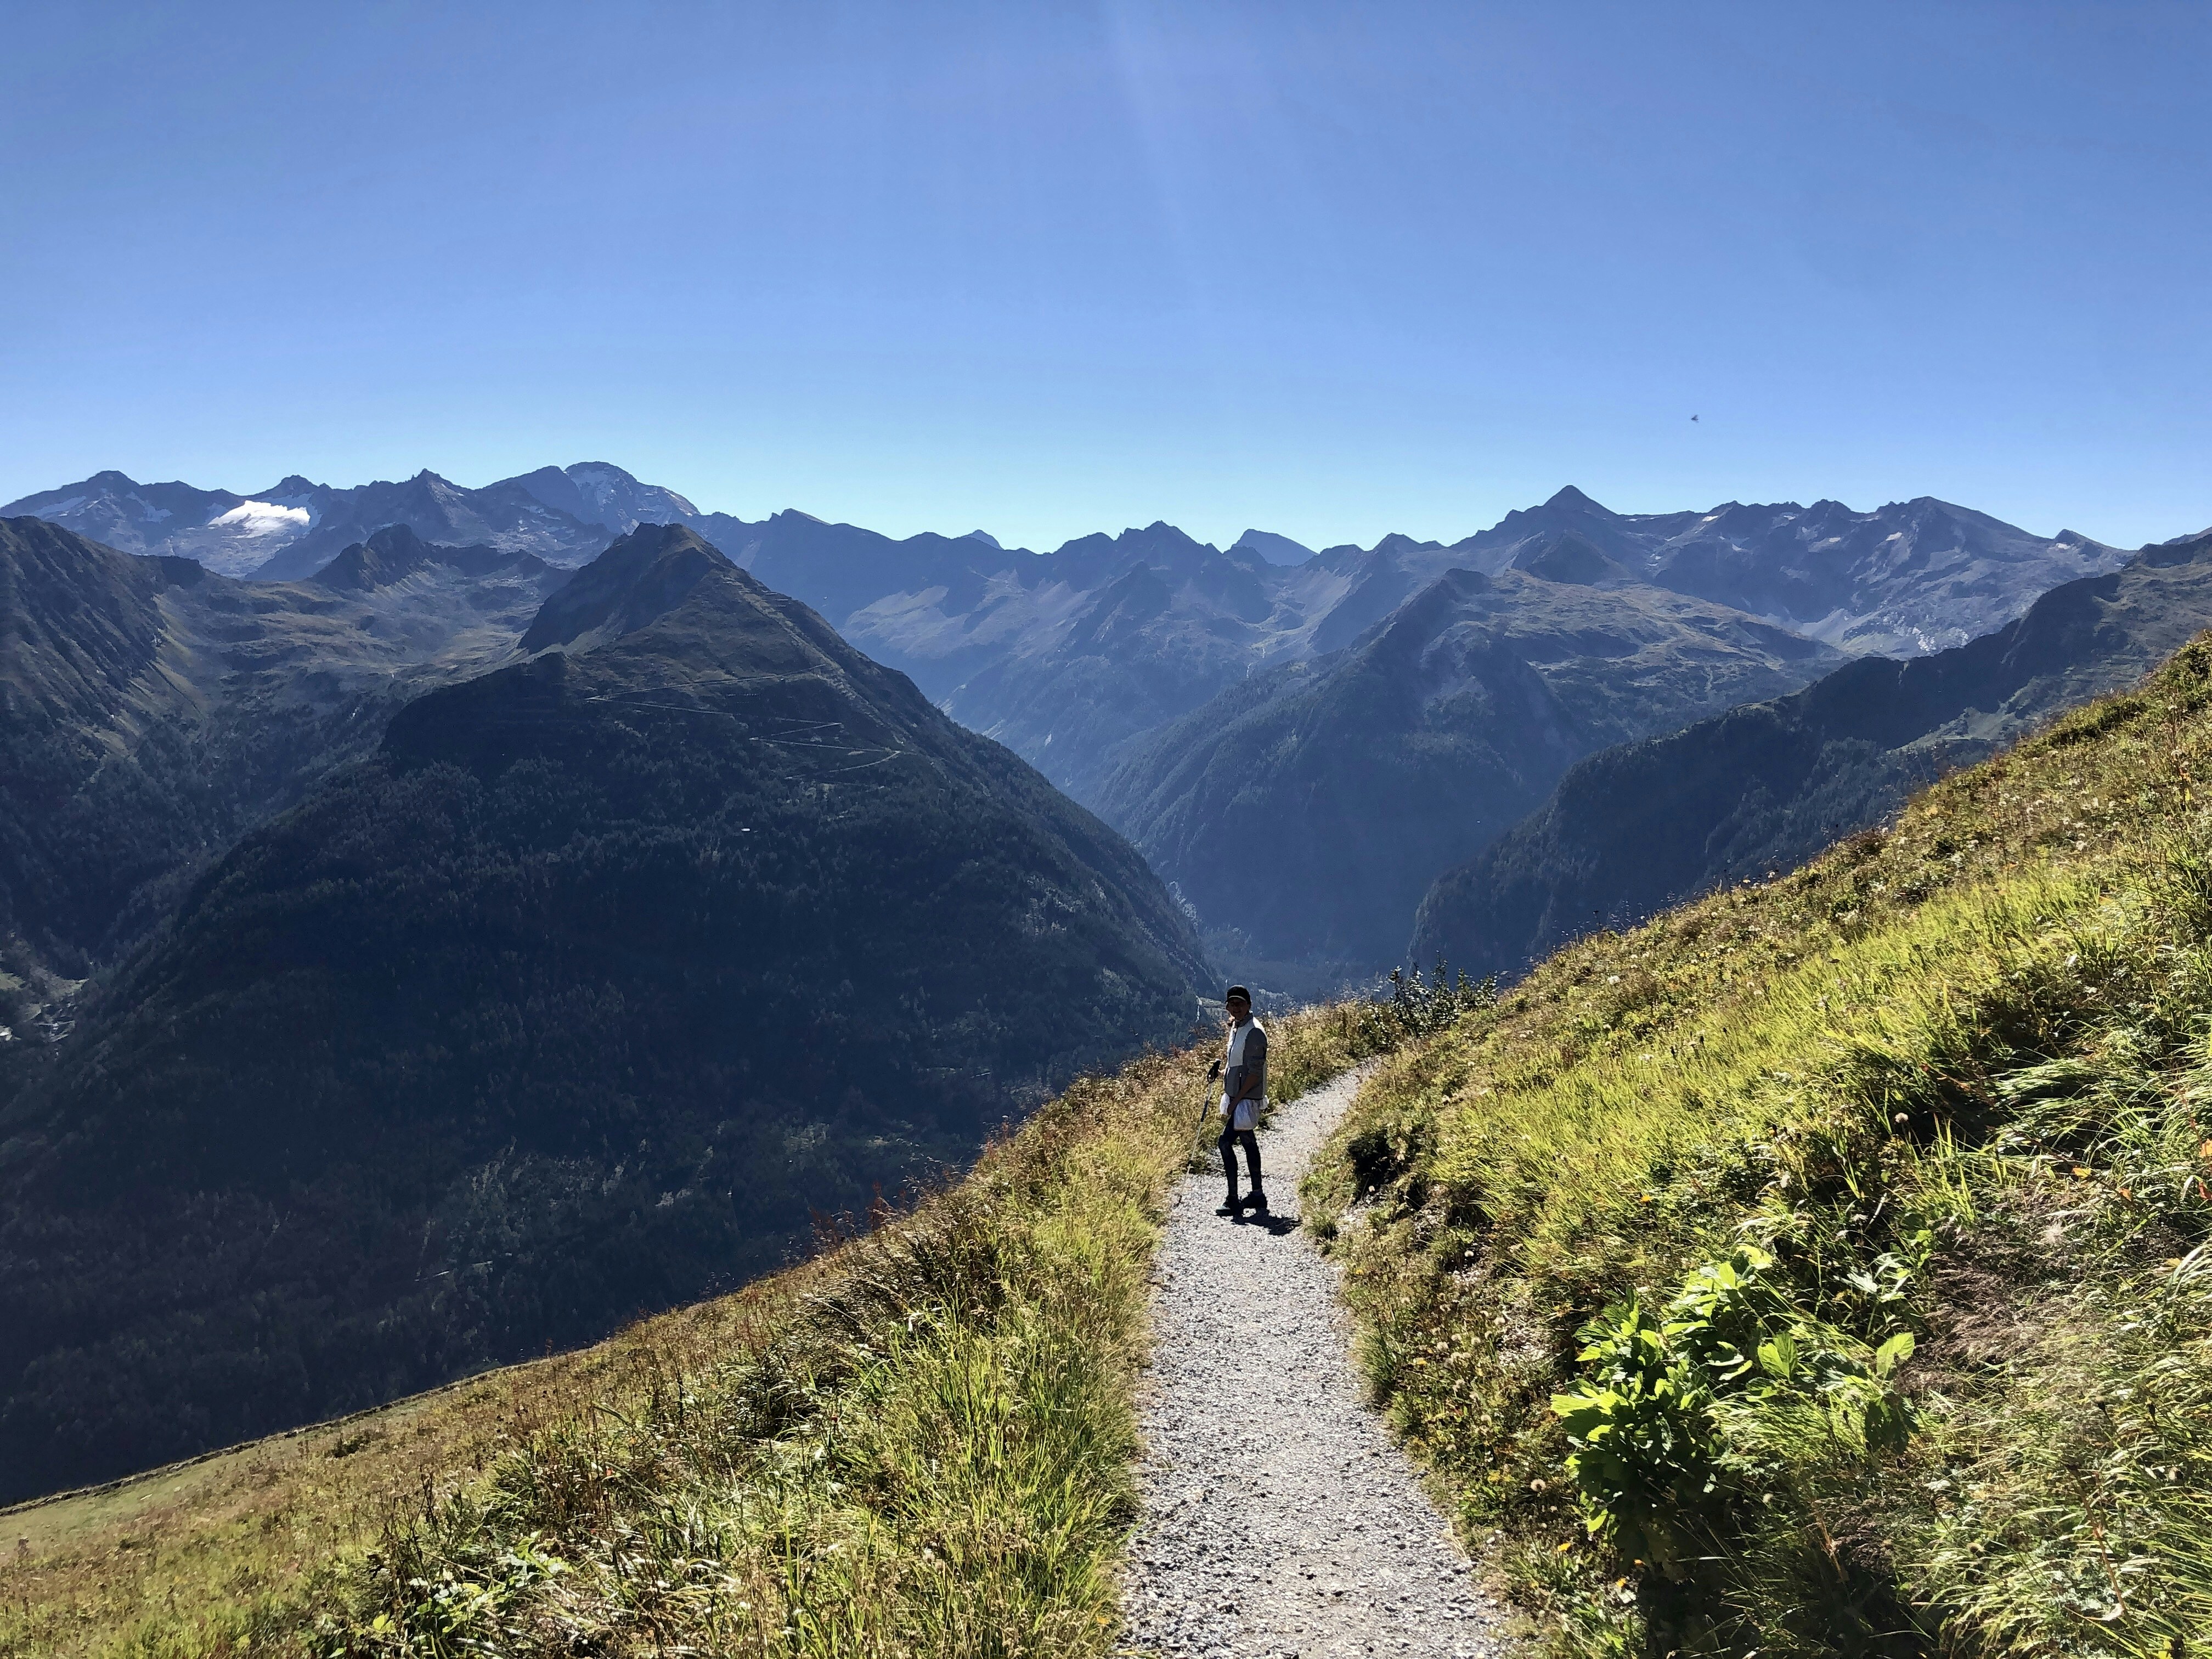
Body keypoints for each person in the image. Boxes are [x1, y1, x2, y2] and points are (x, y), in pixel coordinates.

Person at [1217, 986, 1267, 1216]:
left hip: (1246, 1098)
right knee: (1247, 1141)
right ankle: (1257, 1195)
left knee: (1225, 1142)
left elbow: (1255, 1073)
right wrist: (1220, 1074)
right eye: (1232, 1004)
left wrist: (1236, 1101)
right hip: (1240, 1095)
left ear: (1249, 1005)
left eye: (1240, 1003)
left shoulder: (1254, 1032)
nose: (1236, 1008)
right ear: (1228, 1006)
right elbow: (1237, 1064)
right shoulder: (1237, 1028)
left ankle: (1233, 1199)